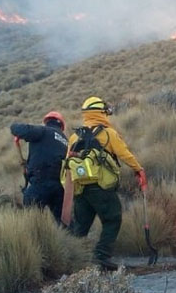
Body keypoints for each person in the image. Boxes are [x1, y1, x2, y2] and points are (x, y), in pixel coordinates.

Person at [62, 96, 147, 271]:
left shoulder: (74, 136)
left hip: (80, 189)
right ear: (101, 113)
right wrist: (139, 169)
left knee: (81, 225)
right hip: (101, 188)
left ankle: (73, 260)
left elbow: (67, 164)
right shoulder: (108, 133)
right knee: (112, 219)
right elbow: (124, 154)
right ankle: (101, 256)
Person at [10, 111, 69, 223]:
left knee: (33, 220)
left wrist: (13, 126)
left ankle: (37, 237)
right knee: (62, 222)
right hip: (60, 187)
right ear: (61, 125)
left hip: (40, 183)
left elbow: (24, 130)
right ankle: (73, 238)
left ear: (46, 121)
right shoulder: (65, 141)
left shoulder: (43, 131)